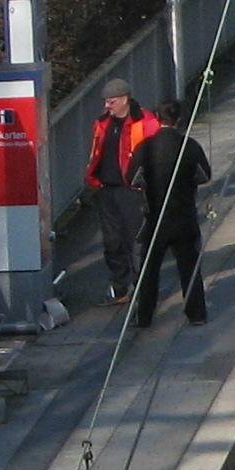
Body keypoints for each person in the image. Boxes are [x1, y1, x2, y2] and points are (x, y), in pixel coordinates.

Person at [131, 100, 214, 328]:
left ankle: (144, 316)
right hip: (183, 215)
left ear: (157, 118)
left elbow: (133, 178)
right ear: (179, 121)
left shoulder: (145, 148)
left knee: (149, 270)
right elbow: (204, 175)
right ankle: (196, 313)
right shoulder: (189, 146)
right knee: (189, 267)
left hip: (155, 218)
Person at [83, 80, 159, 305]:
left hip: (132, 190)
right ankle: (120, 288)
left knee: (135, 240)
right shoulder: (103, 122)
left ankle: (141, 287)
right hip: (107, 188)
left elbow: (154, 153)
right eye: (106, 101)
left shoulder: (145, 122)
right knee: (112, 242)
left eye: (112, 101)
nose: (108, 105)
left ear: (125, 99)